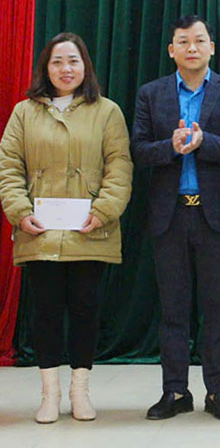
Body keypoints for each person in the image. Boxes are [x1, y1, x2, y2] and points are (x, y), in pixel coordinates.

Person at [0, 32, 132, 423]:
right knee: (45, 312)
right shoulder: (25, 112)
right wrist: (20, 211)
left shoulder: (107, 111)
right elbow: (9, 167)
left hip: (90, 232)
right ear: (46, 68)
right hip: (39, 233)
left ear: (85, 67)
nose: (66, 69)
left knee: (86, 311)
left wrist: (104, 210)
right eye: (57, 62)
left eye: (73, 61)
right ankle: (49, 393)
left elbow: (119, 166)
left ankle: (80, 391)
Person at [131, 15, 220, 421]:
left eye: (200, 40)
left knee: (217, 309)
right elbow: (138, 150)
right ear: (172, 50)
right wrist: (171, 145)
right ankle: (175, 391)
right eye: (183, 41)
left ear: (212, 47)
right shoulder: (152, 94)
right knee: (173, 310)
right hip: (169, 217)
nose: (192, 48)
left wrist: (203, 143)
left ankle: (218, 392)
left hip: (214, 216)